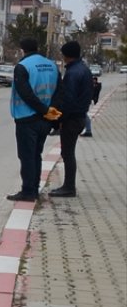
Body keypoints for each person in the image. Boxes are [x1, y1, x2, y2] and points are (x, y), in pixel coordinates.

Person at [7, 37, 63, 202]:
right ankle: (34, 188)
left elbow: (26, 94)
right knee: (36, 154)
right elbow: (59, 91)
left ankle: (28, 191)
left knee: (26, 156)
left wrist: (43, 110)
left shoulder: (23, 67)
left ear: (22, 49)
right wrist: (49, 112)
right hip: (45, 120)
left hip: (27, 118)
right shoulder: (52, 65)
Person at [50, 41, 92, 197]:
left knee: (67, 153)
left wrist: (60, 119)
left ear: (66, 55)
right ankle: (68, 185)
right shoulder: (84, 69)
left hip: (72, 118)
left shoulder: (73, 73)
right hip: (80, 116)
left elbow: (68, 99)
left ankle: (69, 187)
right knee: (68, 152)